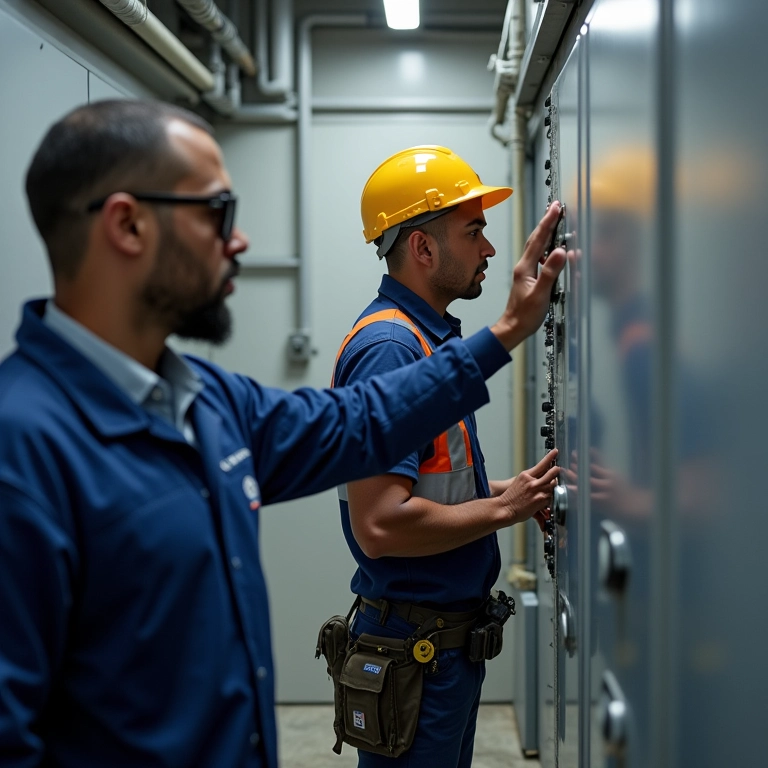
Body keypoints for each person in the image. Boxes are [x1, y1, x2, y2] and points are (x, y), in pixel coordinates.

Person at [0, 101, 565, 768]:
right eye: (217, 214)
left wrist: (504, 334)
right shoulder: (24, 447)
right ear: (128, 225)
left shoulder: (207, 400)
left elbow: (360, 423)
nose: (238, 242)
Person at [330, 145, 561, 768]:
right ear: (423, 248)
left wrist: (520, 490)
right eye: (475, 230)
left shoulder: (425, 343)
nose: (488, 249)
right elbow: (379, 526)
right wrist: (505, 510)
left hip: (441, 650)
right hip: (414, 652)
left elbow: (437, 487)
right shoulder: (390, 349)